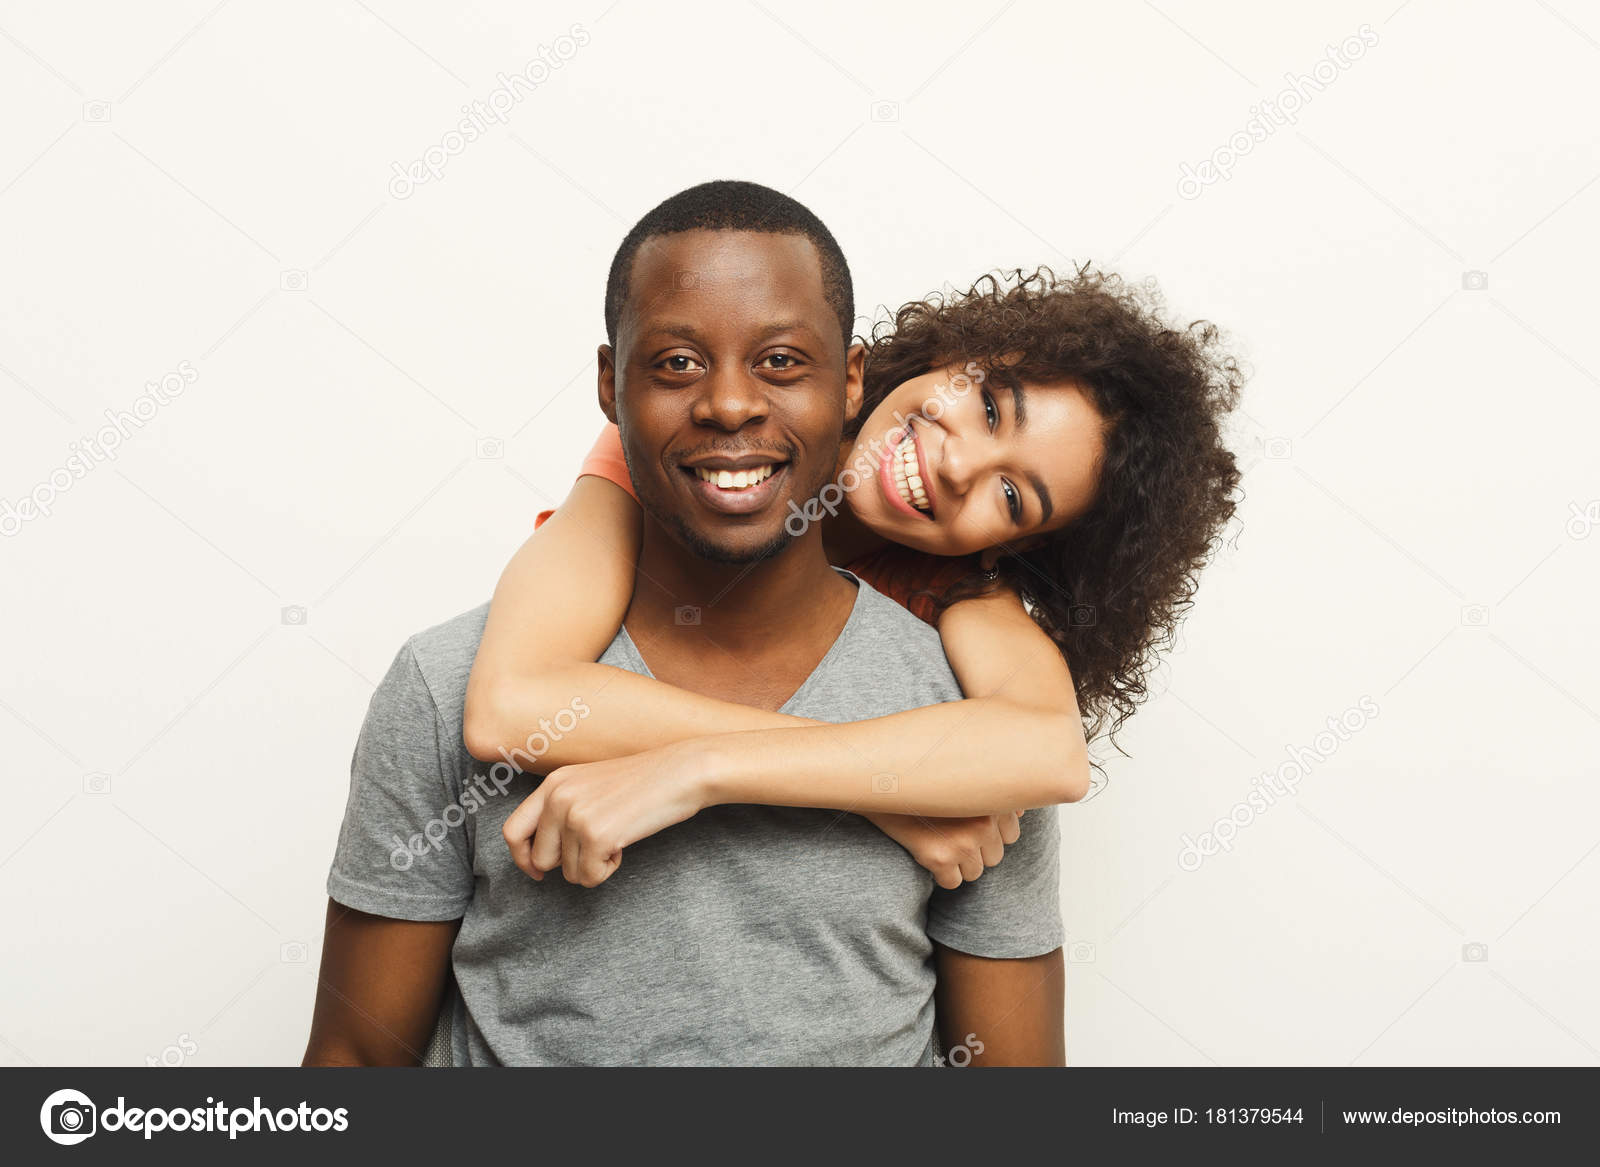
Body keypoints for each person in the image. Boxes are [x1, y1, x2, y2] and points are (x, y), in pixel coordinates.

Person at [305, 180, 1068, 1066]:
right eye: (675, 363)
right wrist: (874, 783)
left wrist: (707, 769)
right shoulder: (452, 680)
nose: (730, 404)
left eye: (782, 361)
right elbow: (354, 1061)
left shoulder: (962, 728)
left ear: (851, 379)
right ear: (607, 383)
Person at [468, 254, 1243, 892]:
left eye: (1012, 496)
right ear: (953, 353)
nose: (960, 462)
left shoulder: (951, 581)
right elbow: (512, 704)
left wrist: (703, 768)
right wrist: (884, 795)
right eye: (990, 408)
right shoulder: (707, 451)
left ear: (1009, 549)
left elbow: (1050, 749)